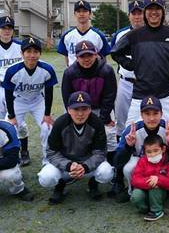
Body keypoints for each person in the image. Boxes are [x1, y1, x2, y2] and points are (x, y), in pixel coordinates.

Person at [111, 0, 169, 131]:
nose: (154, 12)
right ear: (145, 12)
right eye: (150, 9)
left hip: (167, 92)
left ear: (163, 11)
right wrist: (131, 65)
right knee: (130, 134)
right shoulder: (134, 35)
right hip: (140, 93)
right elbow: (115, 52)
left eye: (157, 9)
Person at [113, 95, 169, 205]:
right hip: (143, 170)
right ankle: (133, 190)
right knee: (130, 166)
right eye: (147, 114)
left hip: (166, 169)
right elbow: (116, 162)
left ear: (162, 114)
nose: (152, 118)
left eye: (155, 113)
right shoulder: (132, 130)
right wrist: (128, 147)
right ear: (141, 115)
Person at [38, 91, 114, 204]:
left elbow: (100, 152)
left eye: (84, 109)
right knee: (46, 177)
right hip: (65, 163)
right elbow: (52, 152)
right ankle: (60, 186)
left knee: (106, 172)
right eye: (76, 109)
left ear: (90, 109)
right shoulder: (60, 123)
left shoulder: (96, 123)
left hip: (87, 162)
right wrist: (68, 165)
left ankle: (92, 185)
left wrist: (85, 166)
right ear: (68, 110)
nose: (80, 114)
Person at [2, 37, 58, 166]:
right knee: (10, 130)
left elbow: (49, 92)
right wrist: (11, 116)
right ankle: (13, 163)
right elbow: (8, 94)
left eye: (35, 51)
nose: (32, 55)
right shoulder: (12, 70)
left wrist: (47, 114)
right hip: (18, 102)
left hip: (38, 101)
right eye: (28, 51)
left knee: (47, 128)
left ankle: (47, 162)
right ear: (22, 54)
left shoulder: (47, 69)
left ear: (40, 53)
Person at [61, 40, 117, 160]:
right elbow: (67, 99)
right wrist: (75, 116)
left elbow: (109, 96)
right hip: (79, 109)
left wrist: (104, 119)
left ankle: (112, 163)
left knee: (108, 133)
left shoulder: (106, 70)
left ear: (96, 54)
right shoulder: (70, 73)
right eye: (82, 56)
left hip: (102, 108)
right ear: (76, 57)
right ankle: (76, 161)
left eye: (89, 55)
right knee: (74, 133)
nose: (86, 59)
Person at [111, 0, 144, 138]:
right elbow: (114, 54)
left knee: (144, 116)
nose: (137, 17)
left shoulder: (152, 33)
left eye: (140, 13)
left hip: (145, 82)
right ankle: (121, 147)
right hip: (126, 82)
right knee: (121, 118)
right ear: (129, 16)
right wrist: (129, 64)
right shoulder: (120, 34)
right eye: (134, 13)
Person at [131, 134, 169, 221]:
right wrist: (150, 181)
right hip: (144, 189)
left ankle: (157, 211)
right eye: (149, 152)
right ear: (145, 151)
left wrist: (159, 179)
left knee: (155, 187)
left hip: (159, 192)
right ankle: (145, 209)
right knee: (136, 195)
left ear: (163, 149)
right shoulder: (142, 161)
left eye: (156, 150)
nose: (152, 154)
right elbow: (135, 180)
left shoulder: (168, 161)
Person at [57, 0, 110, 66]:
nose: (81, 14)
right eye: (78, 11)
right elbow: (67, 59)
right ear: (74, 14)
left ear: (90, 14)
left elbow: (103, 58)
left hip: (94, 74)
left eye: (85, 11)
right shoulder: (67, 36)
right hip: (74, 74)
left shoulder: (99, 36)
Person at [0, 119, 34, 201]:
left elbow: (11, 160)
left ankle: (19, 189)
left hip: (3, 162)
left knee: (10, 176)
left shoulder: (6, 128)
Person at [0, 16, 22, 119]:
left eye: (10, 28)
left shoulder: (21, 47)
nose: (7, 31)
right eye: (4, 28)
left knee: (17, 121)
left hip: (15, 88)